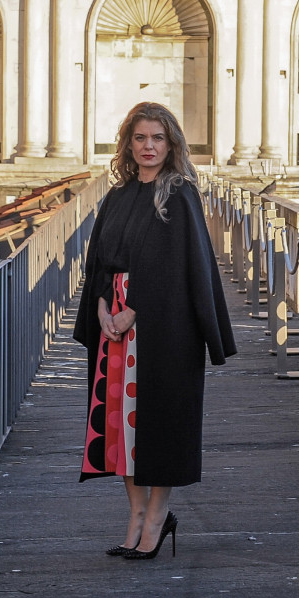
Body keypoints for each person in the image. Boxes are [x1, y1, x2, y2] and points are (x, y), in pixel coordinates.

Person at [73, 101, 235, 559]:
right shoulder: (119, 195)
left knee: (159, 425)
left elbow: (184, 268)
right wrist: (104, 303)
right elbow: (101, 260)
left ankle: (158, 516)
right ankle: (135, 514)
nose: (148, 147)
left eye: (157, 138)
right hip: (116, 329)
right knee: (121, 427)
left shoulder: (179, 194)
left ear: (171, 143)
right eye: (140, 138)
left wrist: (135, 310)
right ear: (128, 143)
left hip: (164, 329)